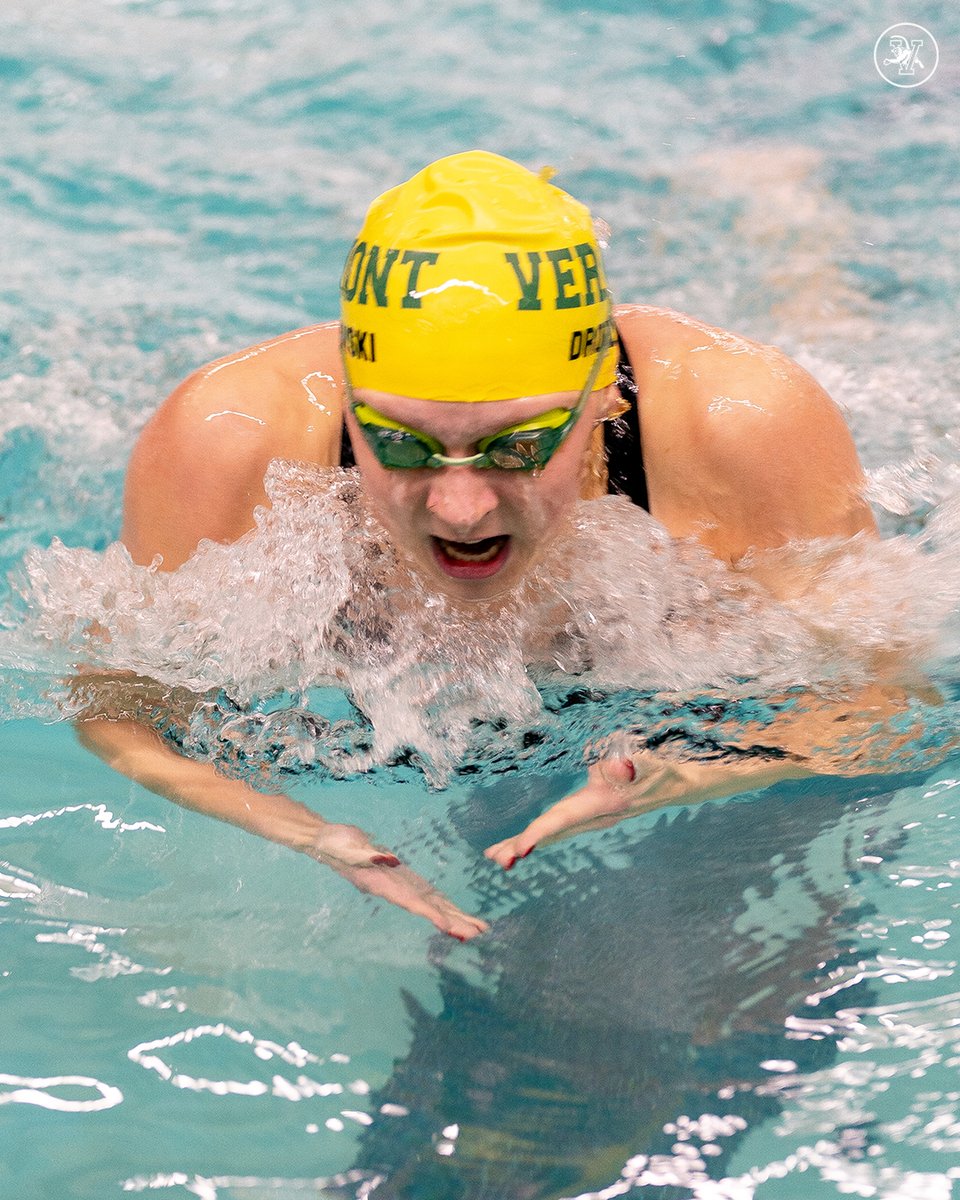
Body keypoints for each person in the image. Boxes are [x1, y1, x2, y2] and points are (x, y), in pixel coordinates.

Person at [77, 151, 878, 940]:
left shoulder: (743, 429)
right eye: (400, 442)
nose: (460, 509)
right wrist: (305, 831)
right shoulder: (228, 442)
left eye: (518, 447)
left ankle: (785, 215)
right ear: (352, 404)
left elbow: (880, 701)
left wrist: (700, 770)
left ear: (604, 398)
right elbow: (116, 705)